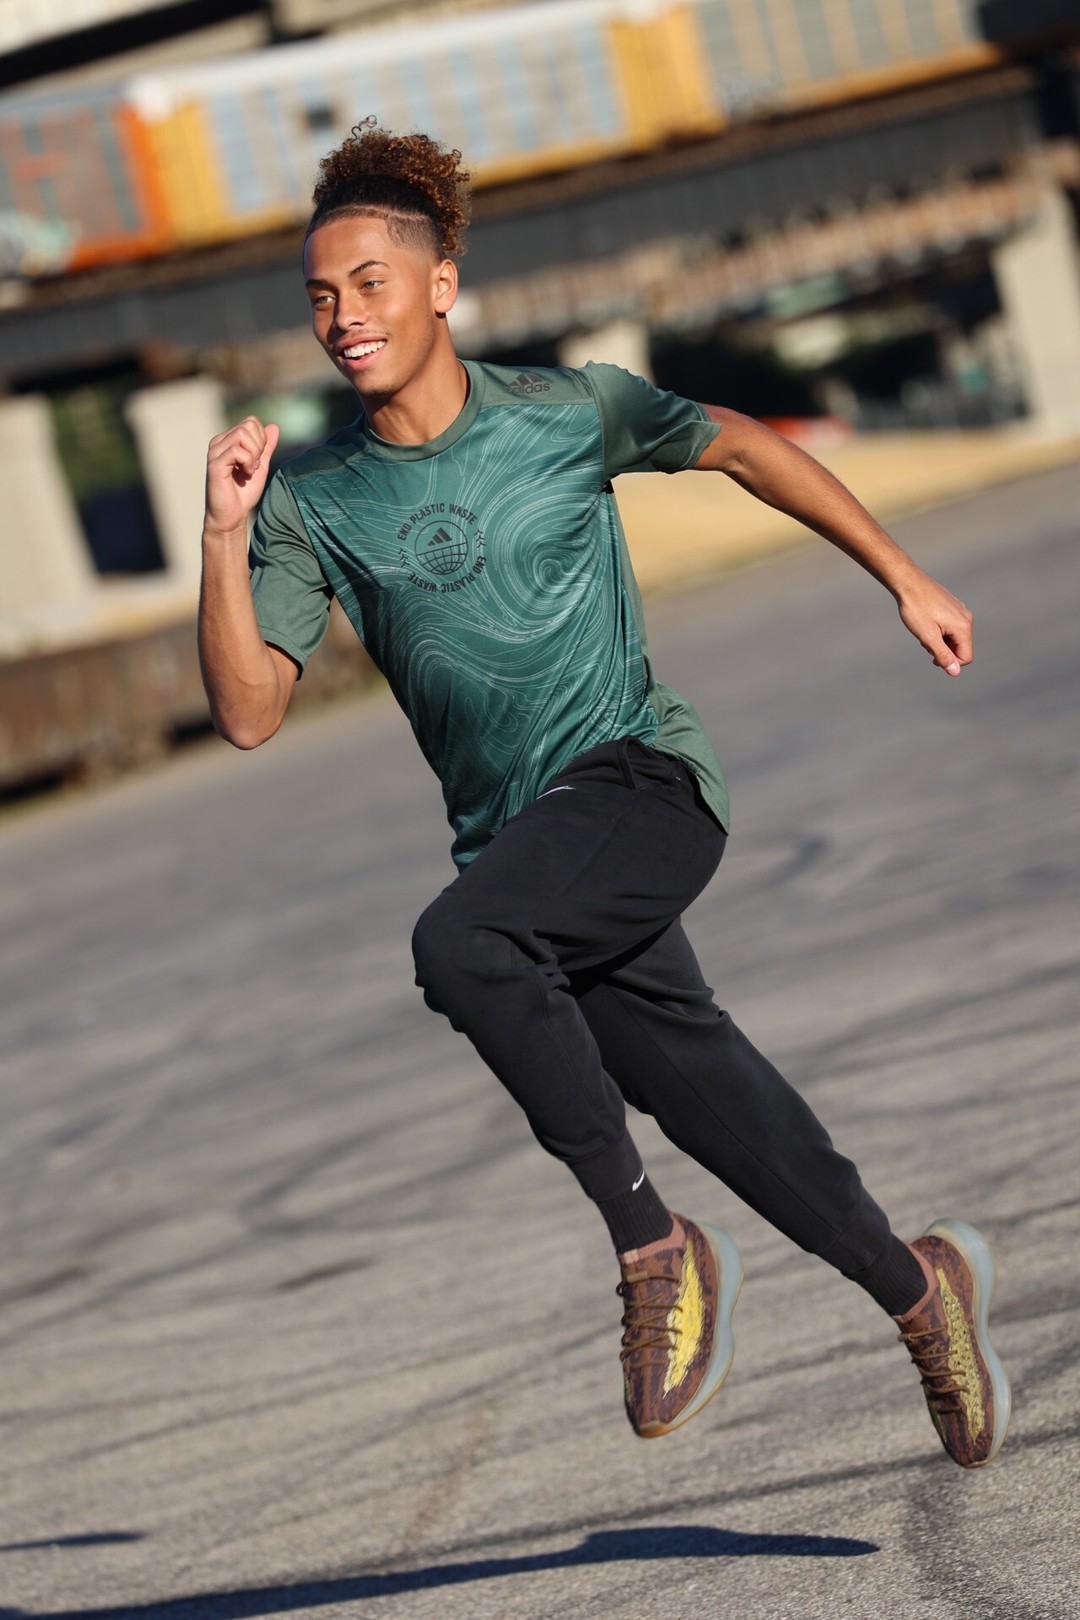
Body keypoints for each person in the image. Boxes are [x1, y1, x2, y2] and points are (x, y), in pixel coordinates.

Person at [199, 120, 1009, 1466]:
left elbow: (742, 445)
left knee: (460, 944)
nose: (344, 317)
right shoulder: (312, 501)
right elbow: (245, 712)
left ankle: (652, 1245)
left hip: (642, 777)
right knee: (717, 1102)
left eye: (371, 283)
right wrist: (225, 540)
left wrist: (903, 574)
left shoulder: (568, 410)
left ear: (442, 284)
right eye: (321, 296)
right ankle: (924, 1293)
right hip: (527, 853)